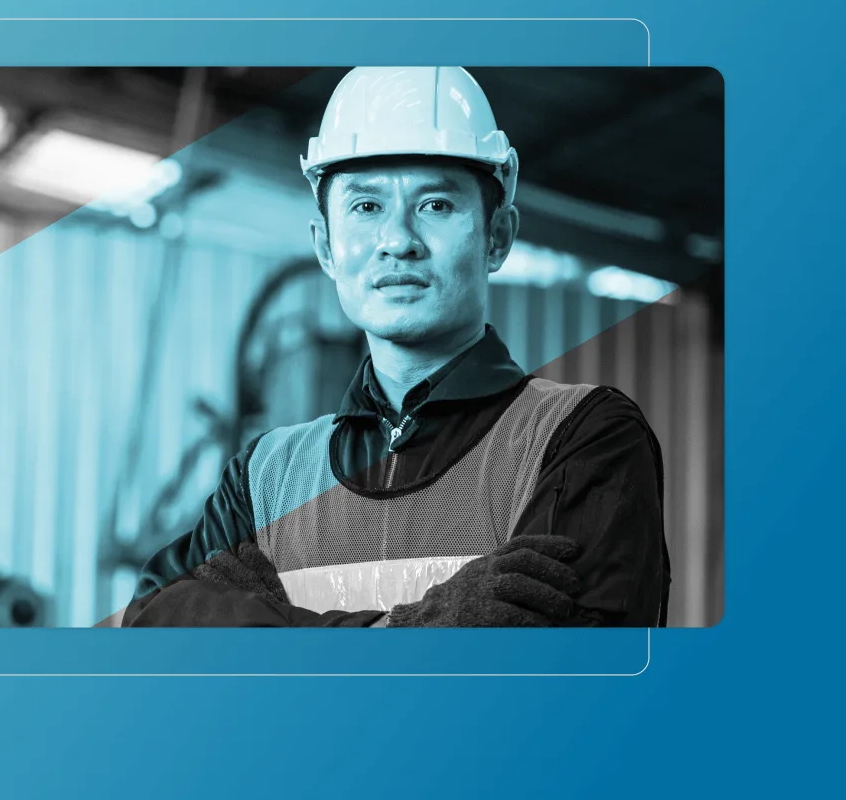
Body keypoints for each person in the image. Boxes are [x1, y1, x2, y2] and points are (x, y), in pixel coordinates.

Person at [121, 66, 670, 628]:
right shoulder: (264, 477)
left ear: (497, 236)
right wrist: (405, 633)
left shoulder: (580, 439)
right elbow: (154, 630)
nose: (398, 241)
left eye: (435, 205)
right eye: (366, 206)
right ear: (326, 247)